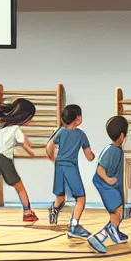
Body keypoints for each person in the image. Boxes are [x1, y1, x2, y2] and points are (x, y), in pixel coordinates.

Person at [47, 104, 104, 251]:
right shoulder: (80, 135)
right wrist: (94, 157)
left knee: (60, 197)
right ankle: (74, 226)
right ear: (78, 119)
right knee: (81, 198)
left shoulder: (60, 132)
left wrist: (53, 158)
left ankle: (53, 210)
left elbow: (49, 146)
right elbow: (89, 155)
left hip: (59, 167)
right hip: (70, 168)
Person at [91, 116, 130, 249]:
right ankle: (107, 233)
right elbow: (100, 169)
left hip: (112, 185)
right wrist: (108, 180)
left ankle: (114, 230)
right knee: (117, 209)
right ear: (122, 135)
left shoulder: (118, 150)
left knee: (120, 209)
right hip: (105, 184)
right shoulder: (111, 150)